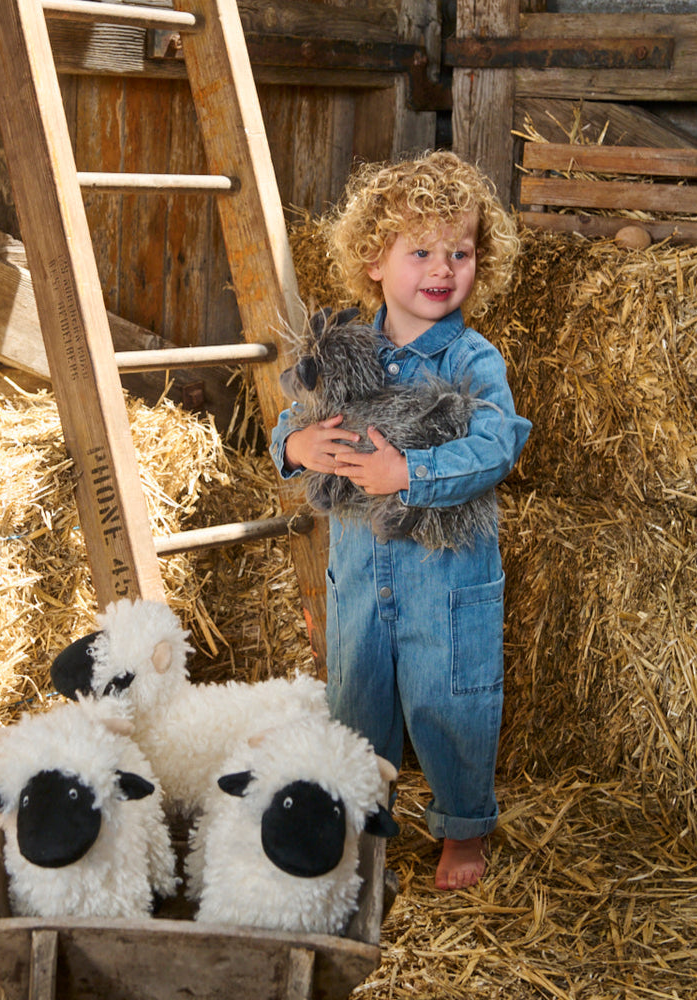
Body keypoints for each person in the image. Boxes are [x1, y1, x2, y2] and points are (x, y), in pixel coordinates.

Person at [269, 150, 531, 890]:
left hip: (448, 576)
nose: (442, 269)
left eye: (461, 251)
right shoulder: (345, 351)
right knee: (356, 700)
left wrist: (407, 473)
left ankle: (463, 828)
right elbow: (292, 422)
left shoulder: (473, 360)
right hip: (357, 568)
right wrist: (297, 443)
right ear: (374, 261)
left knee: (451, 696)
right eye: (421, 251)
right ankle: (360, 825)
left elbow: (497, 442)